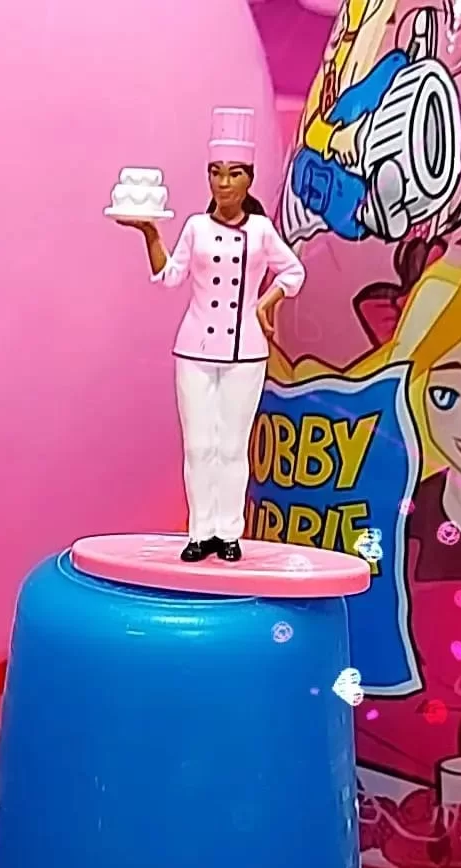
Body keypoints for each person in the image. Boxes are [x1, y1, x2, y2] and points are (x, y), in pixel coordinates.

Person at [117, 107, 305, 562]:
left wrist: (266, 302)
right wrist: (150, 234)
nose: (224, 183)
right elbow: (169, 276)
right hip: (195, 349)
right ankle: (200, 531)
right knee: (200, 445)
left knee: (232, 446)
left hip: (246, 353)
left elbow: (294, 272)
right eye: (216, 173)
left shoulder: (261, 230)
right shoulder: (195, 228)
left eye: (234, 173)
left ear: (249, 179)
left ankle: (228, 531)